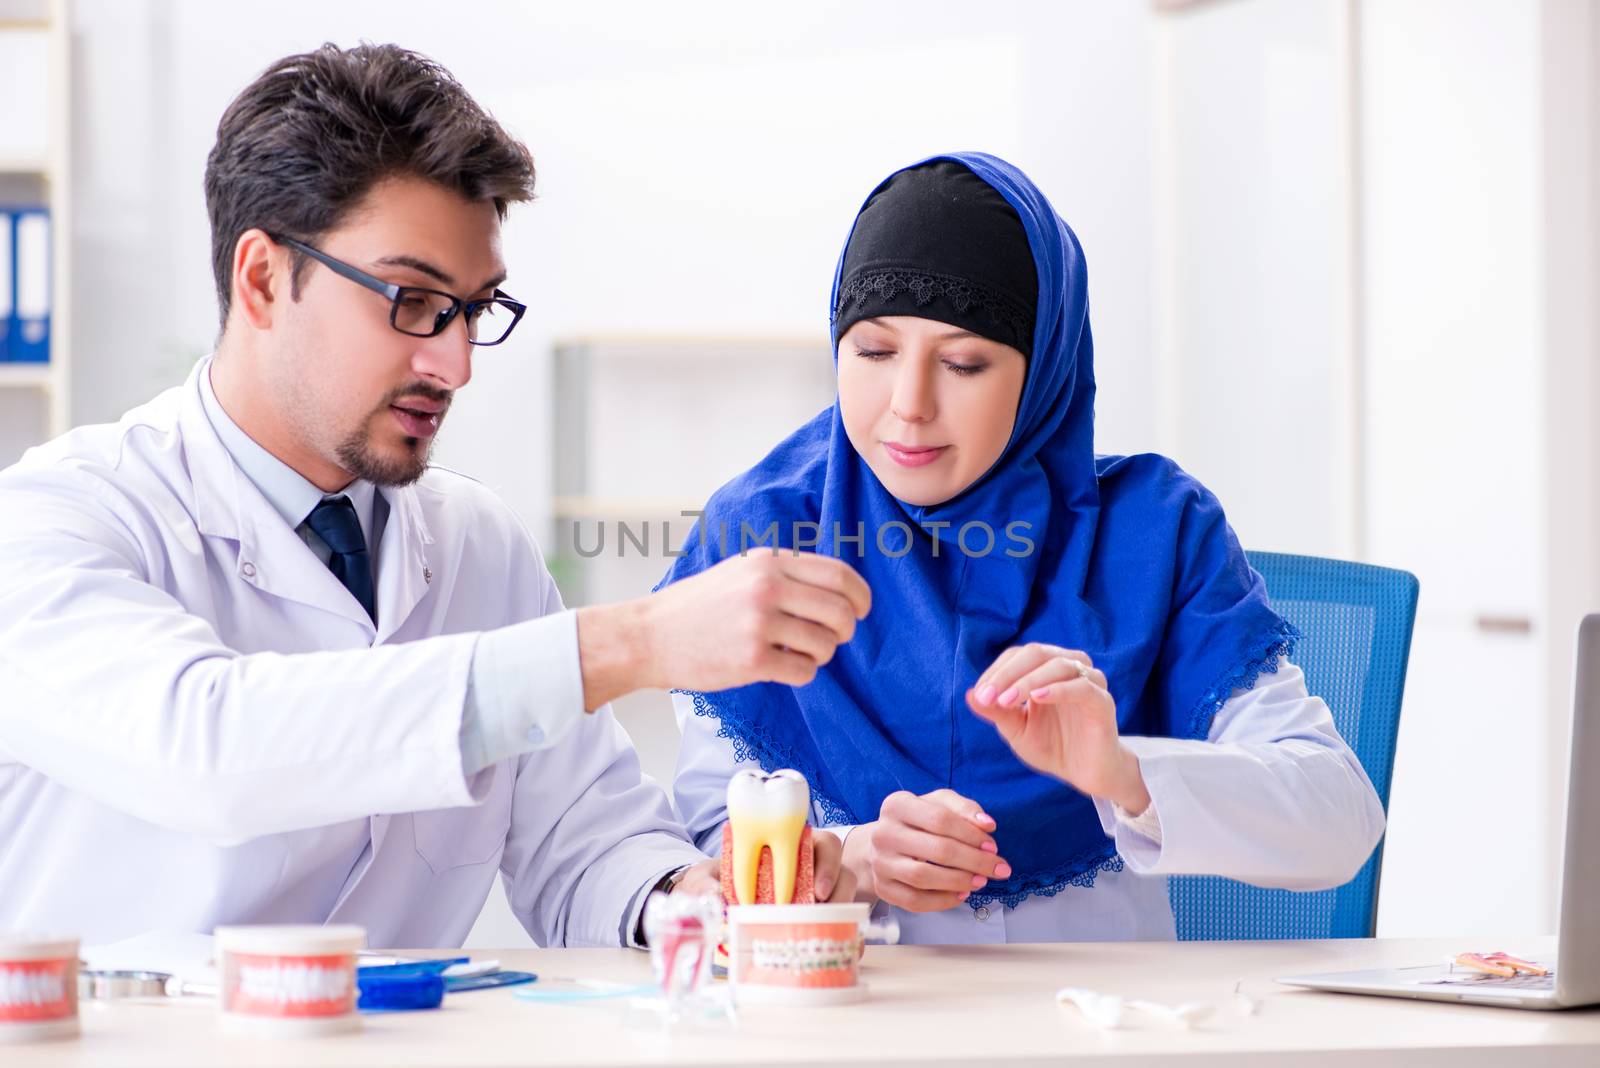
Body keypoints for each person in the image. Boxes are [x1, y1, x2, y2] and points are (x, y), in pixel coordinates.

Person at [0, 43, 868, 948]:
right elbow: (211, 751)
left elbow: (586, 843)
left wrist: (704, 902)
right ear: (262, 278)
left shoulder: (475, 545)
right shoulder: (57, 522)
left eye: (475, 309)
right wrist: (630, 641)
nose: (453, 363)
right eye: (413, 300)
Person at [667, 154, 1387, 942]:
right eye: (873, 352)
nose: (908, 406)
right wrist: (850, 857)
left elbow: (1340, 818)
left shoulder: (1153, 533)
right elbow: (706, 833)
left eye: (964, 362)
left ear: (1043, 368)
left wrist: (1121, 771)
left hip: (1095, 1024)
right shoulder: (767, 528)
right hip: (849, 1018)